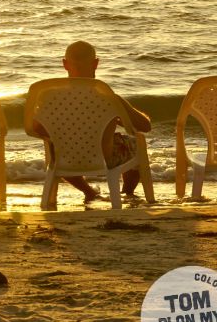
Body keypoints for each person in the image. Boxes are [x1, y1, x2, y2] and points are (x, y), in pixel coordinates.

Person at [30, 40, 150, 201]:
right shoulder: (108, 96)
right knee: (134, 143)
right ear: (96, 63)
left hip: (65, 157)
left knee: (56, 149)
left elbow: (36, 127)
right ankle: (127, 193)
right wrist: (116, 116)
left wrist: (63, 130)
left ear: (65, 64)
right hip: (104, 157)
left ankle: (89, 191)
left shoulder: (49, 97)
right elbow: (144, 126)